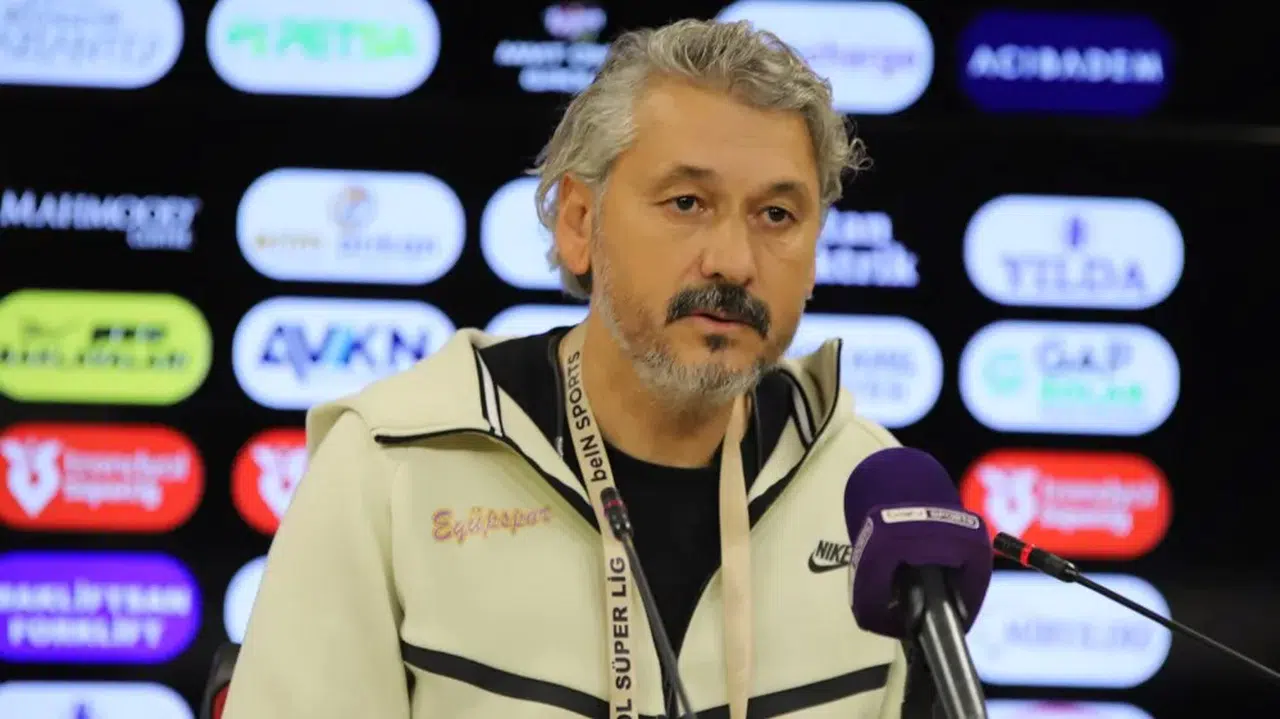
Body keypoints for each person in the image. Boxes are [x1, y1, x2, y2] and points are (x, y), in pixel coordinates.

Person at [223, 17, 938, 719]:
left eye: (777, 215)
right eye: (687, 202)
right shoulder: (392, 467)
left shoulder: (874, 497)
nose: (733, 261)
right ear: (578, 222)